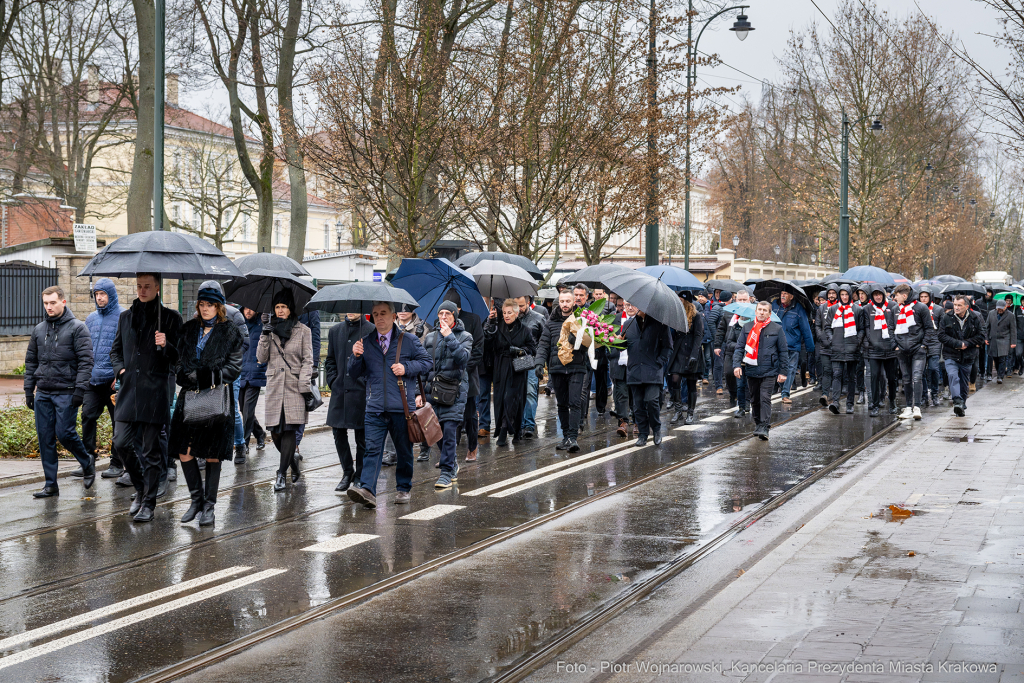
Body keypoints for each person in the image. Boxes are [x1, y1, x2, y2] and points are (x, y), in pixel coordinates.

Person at [168, 286, 244, 526]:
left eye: (209, 305)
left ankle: (209, 507)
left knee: (212, 454)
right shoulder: (188, 330)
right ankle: (196, 501)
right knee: (184, 450)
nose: (205, 309)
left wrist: (204, 377)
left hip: (215, 398)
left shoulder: (230, 332)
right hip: (189, 398)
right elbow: (178, 362)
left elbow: (233, 368)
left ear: (219, 307)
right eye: (201, 305)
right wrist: (186, 376)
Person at [110, 274, 183, 521]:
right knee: (121, 442)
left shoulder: (171, 319)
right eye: (139, 286)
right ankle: (141, 488)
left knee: (151, 451)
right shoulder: (125, 317)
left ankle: (149, 503)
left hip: (155, 390)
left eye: (147, 286)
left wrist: (167, 345)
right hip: (129, 389)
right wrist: (120, 370)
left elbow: (180, 358)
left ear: (157, 288)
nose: (142, 290)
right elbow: (115, 351)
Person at [346, 301, 433, 508]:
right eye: (375, 314)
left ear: (393, 316)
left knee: (404, 451)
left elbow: (427, 362)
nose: (379, 317)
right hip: (375, 407)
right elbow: (354, 373)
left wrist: (406, 367)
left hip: (401, 408)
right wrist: (355, 356)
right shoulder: (366, 342)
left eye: (383, 313)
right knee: (372, 450)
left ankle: (403, 488)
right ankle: (367, 489)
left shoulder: (409, 340)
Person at [24, 286, 95, 498]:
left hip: (67, 391)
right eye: (45, 303)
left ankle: (86, 461)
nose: (49, 307)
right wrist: (29, 390)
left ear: (63, 302)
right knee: (45, 437)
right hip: (43, 392)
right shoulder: (38, 330)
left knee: (65, 433)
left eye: (52, 303)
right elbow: (30, 361)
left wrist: (80, 390)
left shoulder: (77, 328)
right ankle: (50, 485)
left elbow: (86, 361)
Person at [256, 290, 314, 492]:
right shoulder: (269, 330)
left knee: (289, 429)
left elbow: (308, 360)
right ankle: (293, 461)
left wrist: (304, 383)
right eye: (277, 307)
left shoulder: (303, 330)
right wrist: (264, 333)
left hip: (294, 386)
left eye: (284, 307)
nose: (280, 311)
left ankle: (281, 474)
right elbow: (261, 358)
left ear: (290, 309)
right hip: (274, 386)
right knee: (275, 432)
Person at [421, 301, 473, 488]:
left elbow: (463, 359)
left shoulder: (465, 336)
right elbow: (425, 365)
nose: (443, 317)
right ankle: (451, 464)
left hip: (454, 392)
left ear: (454, 316)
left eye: (447, 314)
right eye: (440, 313)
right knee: (436, 433)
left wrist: (450, 337)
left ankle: (445, 472)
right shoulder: (431, 337)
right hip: (433, 391)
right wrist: (420, 392)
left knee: (449, 431)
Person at [198, 280, 250, 463]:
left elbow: (245, 342)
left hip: (229, 372)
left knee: (230, 410)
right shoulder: (199, 316)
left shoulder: (234, 315)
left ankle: (240, 445)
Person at [325, 312, 374, 492]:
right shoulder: (335, 330)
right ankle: (347, 471)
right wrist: (332, 380)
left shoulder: (371, 330)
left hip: (361, 392)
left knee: (361, 436)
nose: (350, 311)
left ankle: (359, 476)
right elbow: (330, 359)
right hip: (339, 390)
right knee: (338, 432)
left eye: (355, 308)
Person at [535, 290, 589, 452]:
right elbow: (543, 344)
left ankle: (573, 437)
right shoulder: (551, 323)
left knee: (575, 402)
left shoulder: (581, 320)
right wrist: (539, 363)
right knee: (562, 404)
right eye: (562, 301)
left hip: (576, 367)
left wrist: (577, 339)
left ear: (573, 303)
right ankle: (565, 436)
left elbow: (589, 343)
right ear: (559, 302)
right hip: (557, 369)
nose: (565, 304)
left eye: (568, 301)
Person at [82, 279, 125, 480]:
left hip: (113, 381)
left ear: (111, 295)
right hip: (93, 380)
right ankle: (88, 459)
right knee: (88, 417)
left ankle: (117, 463)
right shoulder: (90, 319)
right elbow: (84, 349)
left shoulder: (124, 316)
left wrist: (120, 375)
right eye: (96, 294)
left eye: (103, 294)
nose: (99, 297)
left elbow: (127, 349)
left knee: (119, 423)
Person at [485, 298, 537, 446]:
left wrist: (521, 350)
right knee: (501, 399)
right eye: (505, 313)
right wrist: (490, 325)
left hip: (517, 368)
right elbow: (488, 345)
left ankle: (505, 429)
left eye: (510, 313)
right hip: (500, 367)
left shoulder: (525, 330)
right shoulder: (497, 327)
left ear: (516, 313)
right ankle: (507, 427)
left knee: (513, 399)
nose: (507, 315)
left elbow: (532, 349)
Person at [733, 301, 789, 439]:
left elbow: (783, 352)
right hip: (751, 369)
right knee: (755, 399)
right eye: (759, 309)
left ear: (769, 313)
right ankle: (758, 423)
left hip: (769, 370)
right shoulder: (747, 327)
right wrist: (736, 365)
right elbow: (739, 348)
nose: (762, 312)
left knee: (765, 398)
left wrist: (783, 372)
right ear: (755, 311)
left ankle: (765, 426)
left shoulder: (776, 329)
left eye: (765, 310)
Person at [623, 305, 673, 446]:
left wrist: (659, 362)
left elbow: (668, 347)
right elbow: (622, 346)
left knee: (652, 401)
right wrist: (618, 341)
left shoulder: (660, 324)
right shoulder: (628, 324)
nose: (634, 307)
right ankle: (643, 434)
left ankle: (656, 429)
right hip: (634, 371)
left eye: (638, 305)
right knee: (637, 406)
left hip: (652, 370)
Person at [939, 295, 986, 416]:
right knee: (953, 375)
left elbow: (981, 336)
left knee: (964, 382)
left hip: (968, 355)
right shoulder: (947, 317)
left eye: (959, 305)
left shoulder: (975, 318)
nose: (956, 307)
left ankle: (962, 404)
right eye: (955, 305)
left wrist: (967, 343)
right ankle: (957, 400)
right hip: (951, 354)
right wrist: (958, 344)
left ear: (966, 306)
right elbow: (941, 335)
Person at [823, 284, 865, 415]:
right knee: (837, 374)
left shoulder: (857, 310)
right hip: (837, 347)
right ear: (839, 295)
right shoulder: (833, 309)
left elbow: (862, 329)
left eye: (847, 294)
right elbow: (827, 327)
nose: (845, 297)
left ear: (850, 295)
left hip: (852, 348)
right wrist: (832, 339)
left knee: (851, 377)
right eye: (842, 294)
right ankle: (835, 402)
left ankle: (850, 404)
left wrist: (857, 341)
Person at [859, 285, 899, 417]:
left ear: (883, 294)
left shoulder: (892, 306)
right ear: (872, 296)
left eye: (880, 294)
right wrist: (872, 342)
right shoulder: (867, 309)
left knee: (892, 378)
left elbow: (896, 325)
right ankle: (875, 404)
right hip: (874, 350)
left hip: (890, 349)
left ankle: (892, 402)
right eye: (875, 294)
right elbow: (866, 328)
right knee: (874, 377)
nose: (878, 296)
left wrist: (894, 343)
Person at [892, 284, 929, 420]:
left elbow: (928, 328)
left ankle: (917, 407)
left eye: (896, 295)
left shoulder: (921, 308)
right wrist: (895, 345)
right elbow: (891, 328)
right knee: (906, 379)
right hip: (901, 350)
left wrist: (923, 345)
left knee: (917, 377)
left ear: (904, 296)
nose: (895, 298)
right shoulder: (895, 309)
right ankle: (908, 407)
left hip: (918, 349)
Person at [667, 294, 705, 425]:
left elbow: (698, 336)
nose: (679, 302)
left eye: (681, 300)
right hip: (678, 352)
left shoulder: (696, 315)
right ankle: (678, 411)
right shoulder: (676, 314)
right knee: (675, 379)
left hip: (691, 353)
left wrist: (695, 354)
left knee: (691, 384)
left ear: (687, 302)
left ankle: (690, 413)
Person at [772, 291, 814, 404]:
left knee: (790, 370)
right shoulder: (775, 306)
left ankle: (785, 393)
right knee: (776, 368)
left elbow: (805, 329)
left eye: (786, 293)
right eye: (781, 293)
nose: (782, 295)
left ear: (791, 296)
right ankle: (783, 386)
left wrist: (810, 348)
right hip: (777, 344)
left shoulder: (799, 309)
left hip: (793, 346)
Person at [239, 307, 268, 454]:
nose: (248, 312)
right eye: (245, 309)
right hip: (240, 372)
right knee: (244, 410)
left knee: (248, 411)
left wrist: (260, 365)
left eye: (251, 309)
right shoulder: (238, 323)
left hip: (256, 372)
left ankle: (244, 444)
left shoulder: (262, 324)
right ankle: (260, 434)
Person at [516, 295, 545, 438]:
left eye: (521, 306)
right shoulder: (511, 317)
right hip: (515, 359)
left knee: (530, 391)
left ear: (528, 303)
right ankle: (520, 424)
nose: (519, 309)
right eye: (517, 306)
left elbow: (545, 340)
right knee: (517, 393)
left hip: (532, 359)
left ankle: (529, 424)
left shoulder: (539, 318)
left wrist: (540, 360)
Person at [608, 299, 634, 436]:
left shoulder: (641, 321)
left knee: (635, 393)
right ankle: (623, 422)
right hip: (618, 361)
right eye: (627, 305)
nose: (629, 308)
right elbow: (607, 338)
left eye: (632, 305)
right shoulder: (615, 319)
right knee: (621, 393)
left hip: (635, 362)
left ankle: (636, 421)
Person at [814, 284, 839, 406]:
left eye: (834, 293)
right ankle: (825, 394)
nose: (832, 295)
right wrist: (822, 338)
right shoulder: (821, 308)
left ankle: (835, 397)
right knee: (827, 370)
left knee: (837, 372)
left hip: (838, 345)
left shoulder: (841, 307)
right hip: (824, 345)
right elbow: (818, 325)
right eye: (830, 293)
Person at [918, 288, 943, 406]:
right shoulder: (916, 309)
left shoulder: (938, 310)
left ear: (930, 297)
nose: (923, 299)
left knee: (933, 368)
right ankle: (924, 395)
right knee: (921, 371)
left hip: (934, 342)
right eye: (921, 297)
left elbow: (942, 327)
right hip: (921, 342)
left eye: (925, 297)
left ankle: (934, 393)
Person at [986, 297, 1017, 384]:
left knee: (1002, 358)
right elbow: (987, 327)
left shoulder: (1010, 315)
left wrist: (1013, 342)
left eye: (1001, 308)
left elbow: (1013, 330)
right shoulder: (991, 313)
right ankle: (999, 372)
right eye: (998, 308)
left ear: (1005, 307)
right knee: (995, 358)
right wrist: (986, 338)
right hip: (993, 340)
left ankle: (1000, 376)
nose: (999, 310)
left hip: (1004, 339)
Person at [704, 291, 727, 395]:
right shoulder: (718, 308)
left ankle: (725, 384)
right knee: (718, 363)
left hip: (728, 341)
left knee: (725, 364)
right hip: (720, 341)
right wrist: (716, 336)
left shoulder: (731, 308)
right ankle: (718, 385)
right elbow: (711, 322)